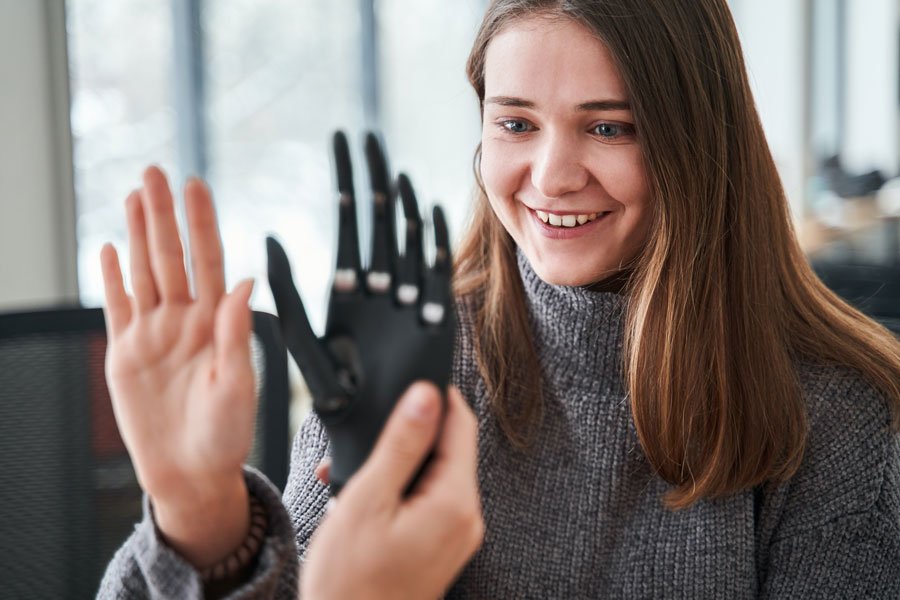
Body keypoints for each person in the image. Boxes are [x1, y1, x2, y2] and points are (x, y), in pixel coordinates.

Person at [99, 0, 900, 598]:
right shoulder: (419, 354)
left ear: (699, 139)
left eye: (610, 128)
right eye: (516, 124)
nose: (551, 176)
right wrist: (198, 519)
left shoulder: (838, 418)